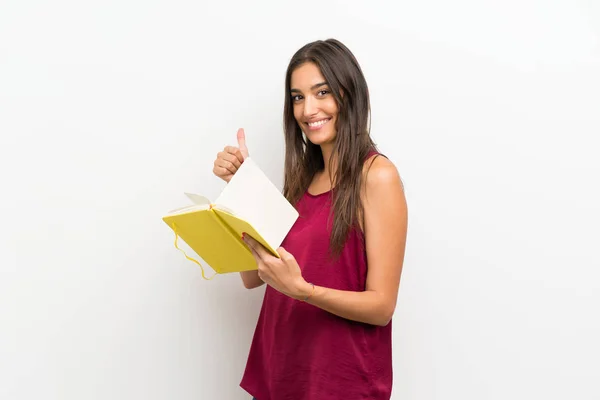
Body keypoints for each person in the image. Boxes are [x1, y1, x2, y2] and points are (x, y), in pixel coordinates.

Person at [212, 38, 408, 400]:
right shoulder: (303, 180)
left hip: (338, 384)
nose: (308, 109)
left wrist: (304, 291)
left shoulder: (377, 176)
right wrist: (241, 189)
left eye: (322, 92)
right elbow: (255, 276)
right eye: (298, 97)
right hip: (280, 372)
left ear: (349, 94)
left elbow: (382, 306)